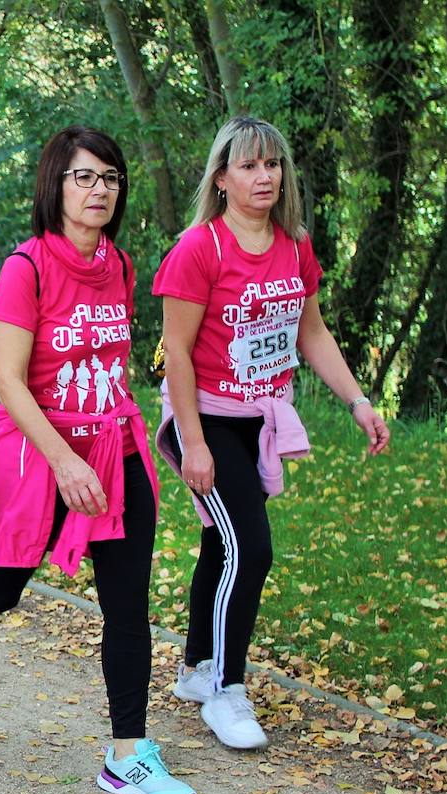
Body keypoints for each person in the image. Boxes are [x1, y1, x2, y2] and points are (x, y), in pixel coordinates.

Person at [0, 127, 196, 794]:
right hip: (36, 450)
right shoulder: (28, 267)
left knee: (127, 604)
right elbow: (9, 381)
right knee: (5, 586)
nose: (99, 190)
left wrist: (102, 444)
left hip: (112, 447)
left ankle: (127, 754)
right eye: (84, 177)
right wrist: (63, 459)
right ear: (55, 185)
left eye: (110, 179)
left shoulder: (122, 267)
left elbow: (105, 367)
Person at [155, 115, 390, 750]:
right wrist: (195, 443)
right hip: (202, 420)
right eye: (250, 166)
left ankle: (197, 669)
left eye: (272, 164)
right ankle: (228, 691)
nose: (265, 176)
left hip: (258, 419)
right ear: (223, 176)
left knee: (223, 545)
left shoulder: (293, 244)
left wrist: (358, 402)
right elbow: (175, 352)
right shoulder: (200, 249)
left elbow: (309, 332)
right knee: (250, 549)